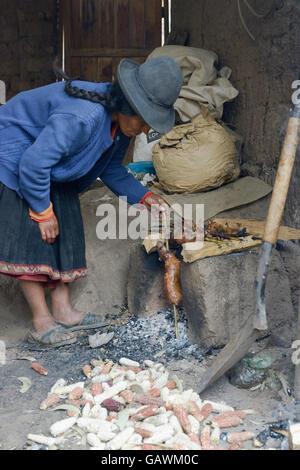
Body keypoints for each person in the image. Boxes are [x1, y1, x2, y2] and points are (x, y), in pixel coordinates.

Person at [0, 56, 183, 345]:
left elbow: (109, 168)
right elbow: (34, 164)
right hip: (15, 156)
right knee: (35, 236)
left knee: (65, 227)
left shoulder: (120, 126)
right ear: (128, 107)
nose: (148, 130)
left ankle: (63, 311)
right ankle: (41, 321)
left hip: (49, 165)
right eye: (146, 121)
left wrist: (144, 197)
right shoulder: (81, 118)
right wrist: (42, 212)